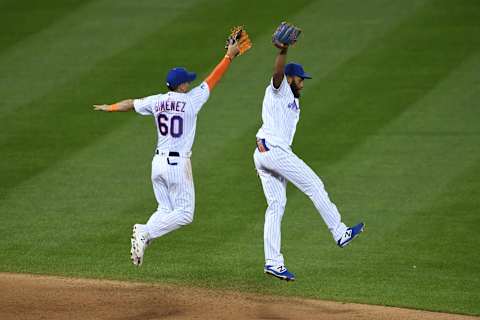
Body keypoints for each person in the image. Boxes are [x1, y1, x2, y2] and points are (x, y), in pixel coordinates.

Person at [93, 37, 244, 266]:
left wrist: (109, 107)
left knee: (165, 208)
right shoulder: (191, 101)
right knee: (184, 214)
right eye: (187, 82)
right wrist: (229, 56)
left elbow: (130, 104)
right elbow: (213, 79)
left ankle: (142, 239)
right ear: (181, 86)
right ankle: (145, 232)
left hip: (157, 164)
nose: (190, 84)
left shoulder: (157, 101)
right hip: (177, 166)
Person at [253, 30, 364, 281]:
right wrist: (282, 50)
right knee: (314, 185)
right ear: (290, 78)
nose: (303, 83)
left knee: (276, 205)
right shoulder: (278, 89)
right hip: (273, 151)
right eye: (300, 79)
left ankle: (273, 262)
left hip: (264, 153)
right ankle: (339, 232)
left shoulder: (294, 100)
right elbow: (277, 74)